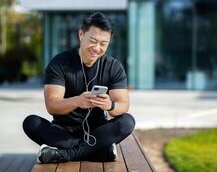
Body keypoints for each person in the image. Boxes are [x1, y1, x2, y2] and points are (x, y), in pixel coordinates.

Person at [22, 12, 135, 164]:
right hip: (63, 132)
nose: (97, 48)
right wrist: (77, 101)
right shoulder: (59, 63)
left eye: (103, 44)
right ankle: (97, 151)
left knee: (127, 121)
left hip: (97, 132)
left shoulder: (113, 66)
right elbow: (52, 106)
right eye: (93, 41)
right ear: (81, 34)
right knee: (31, 123)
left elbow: (123, 105)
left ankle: (66, 155)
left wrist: (110, 105)